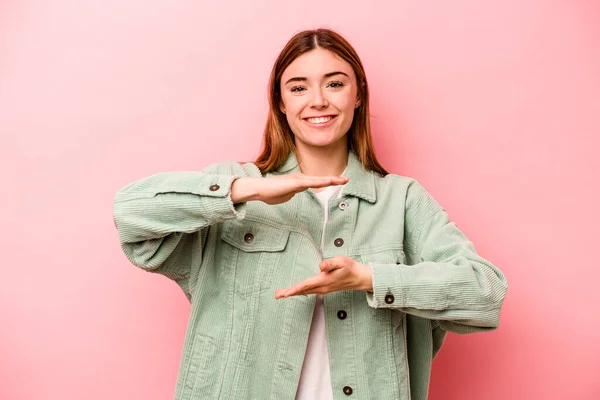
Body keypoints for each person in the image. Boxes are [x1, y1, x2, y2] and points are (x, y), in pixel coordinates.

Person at [113, 28, 507, 400]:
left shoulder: (401, 200)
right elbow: (131, 213)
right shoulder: (235, 187)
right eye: (298, 88)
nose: (318, 100)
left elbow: (485, 293)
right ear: (281, 103)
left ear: (358, 95)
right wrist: (248, 189)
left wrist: (367, 278)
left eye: (334, 83)